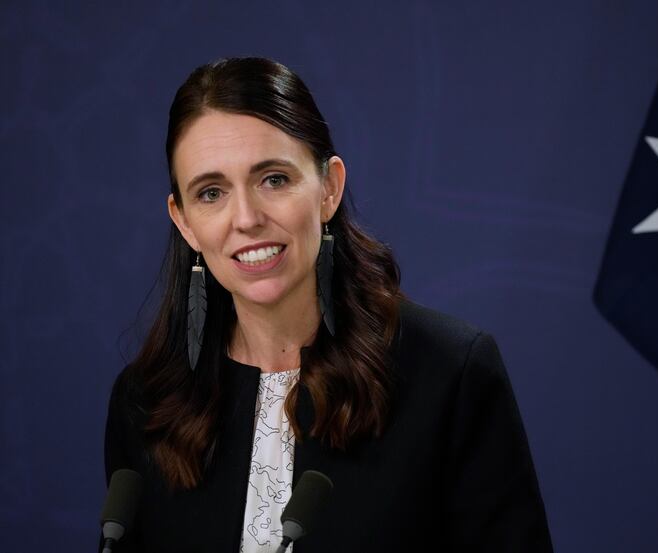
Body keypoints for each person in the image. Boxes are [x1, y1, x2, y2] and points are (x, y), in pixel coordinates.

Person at [102, 56, 553, 553]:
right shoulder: (146, 403)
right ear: (184, 222)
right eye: (211, 193)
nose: (246, 218)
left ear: (329, 189)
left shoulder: (450, 373)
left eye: (273, 179)